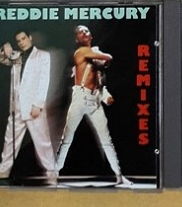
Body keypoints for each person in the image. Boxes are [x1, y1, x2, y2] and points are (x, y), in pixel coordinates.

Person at [55, 25, 132, 186]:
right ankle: (55, 173)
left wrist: (105, 96)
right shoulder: (82, 52)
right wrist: (101, 60)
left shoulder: (94, 56)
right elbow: (108, 57)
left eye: (86, 30)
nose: (84, 32)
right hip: (80, 98)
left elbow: (100, 81)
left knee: (106, 140)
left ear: (91, 35)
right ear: (77, 39)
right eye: (80, 32)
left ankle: (119, 175)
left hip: (95, 100)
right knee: (67, 138)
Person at [0, 30, 57, 183]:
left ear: (30, 38)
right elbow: (1, 58)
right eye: (18, 40)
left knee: (43, 142)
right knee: (10, 140)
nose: (21, 42)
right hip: (17, 106)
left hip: (34, 107)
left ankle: (52, 173)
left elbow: (44, 81)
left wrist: (38, 104)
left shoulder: (43, 56)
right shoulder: (16, 56)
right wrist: (4, 49)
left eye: (23, 38)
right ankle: (3, 171)